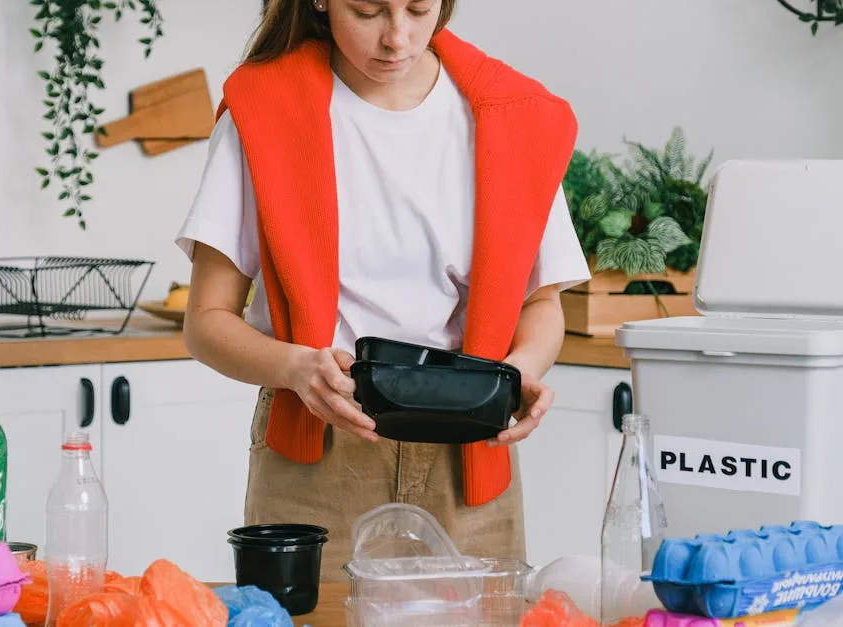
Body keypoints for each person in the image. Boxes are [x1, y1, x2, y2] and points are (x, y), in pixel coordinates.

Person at [175, 0, 591, 580]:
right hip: (317, 452)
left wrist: (519, 371)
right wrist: (296, 368)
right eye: (368, 11)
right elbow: (207, 321)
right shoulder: (262, 111)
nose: (397, 37)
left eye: (419, 9)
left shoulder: (514, 116)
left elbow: (541, 302)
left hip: (469, 454)